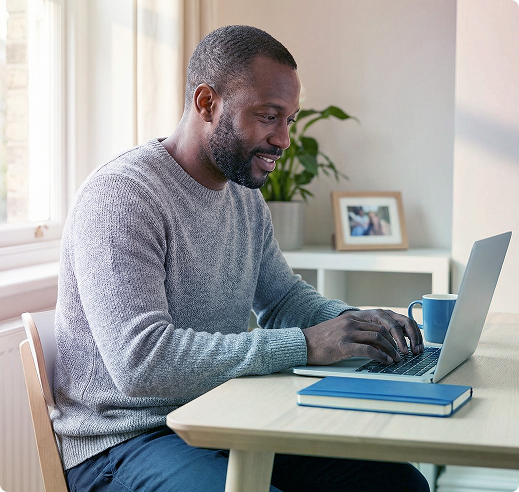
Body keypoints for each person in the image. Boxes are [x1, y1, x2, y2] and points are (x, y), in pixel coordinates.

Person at [55, 25, 429, 492]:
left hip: (222, 417)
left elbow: (283, 300)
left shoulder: (242, 197)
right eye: (269, 116)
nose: (284, 139)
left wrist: (358, 325)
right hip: (124, 442)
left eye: (290, 119)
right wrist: (309, 344)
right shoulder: (123, 197)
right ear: (207, 103)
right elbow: (141, 363)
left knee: (396, 485)